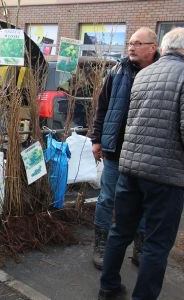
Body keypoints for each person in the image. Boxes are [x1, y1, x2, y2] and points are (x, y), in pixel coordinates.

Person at [98, 27, 184, 300]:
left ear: (159, 46)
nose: (131, 47)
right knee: (157, 245)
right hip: (165, 173)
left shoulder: (144, 75)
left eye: (138, 43)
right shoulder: (181, 76)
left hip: (131, 166)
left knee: (120, 230)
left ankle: (108, 288)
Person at [90, 27, 159, 270]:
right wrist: (96, 139)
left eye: (138, 43)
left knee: (144, 201)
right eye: (130, 42)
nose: (131, 47)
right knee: (108, 197)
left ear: (153, 47)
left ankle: (140, 247)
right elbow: (102, 107)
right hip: (115, 150)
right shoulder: (117, 71)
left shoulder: (163, 73)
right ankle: (101, 245)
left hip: (147, 153)